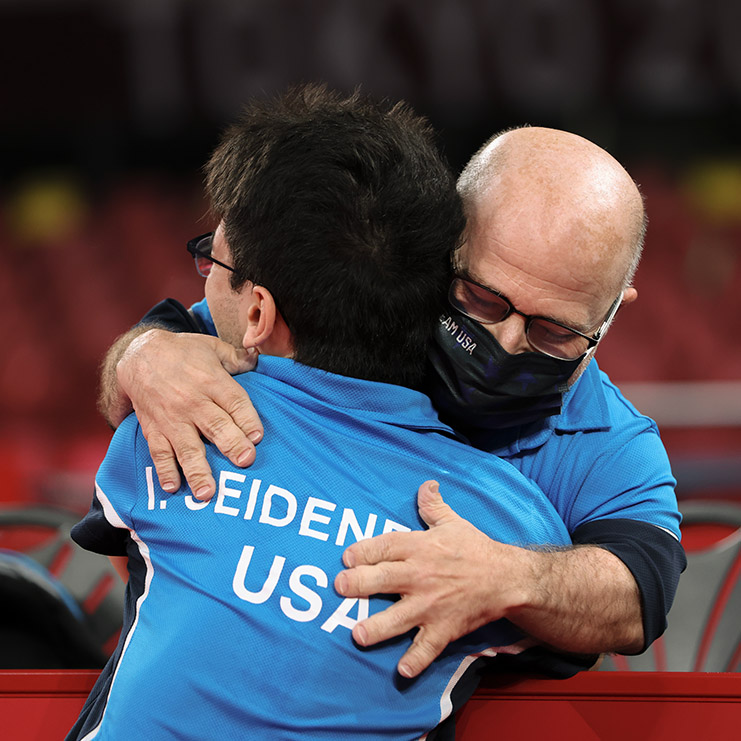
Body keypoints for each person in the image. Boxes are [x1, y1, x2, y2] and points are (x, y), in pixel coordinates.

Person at [68, 85, 577, 741]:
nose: (200, 280)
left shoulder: (170, 428)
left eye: (212, 263)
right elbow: (574, 641)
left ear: (256, 313)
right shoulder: (511, 519)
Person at [99, 125, 686, 678]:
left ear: (610, 313)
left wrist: (507, 576)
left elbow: (639, 594)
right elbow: (198, 328)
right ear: (442, 246)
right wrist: (144, 353)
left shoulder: (612, 439)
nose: (504, 345)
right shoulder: (365, 318)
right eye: (482, 299)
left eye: (554, 333)